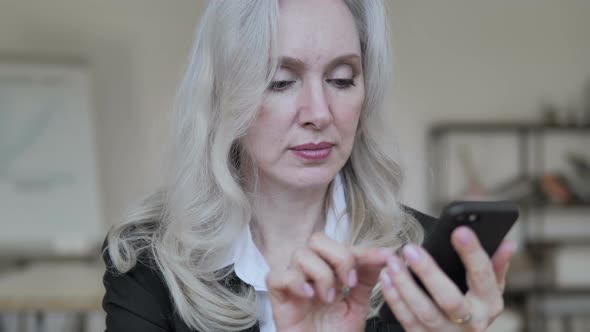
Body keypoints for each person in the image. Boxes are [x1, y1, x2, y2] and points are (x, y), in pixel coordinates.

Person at [102, 1, 516, 331]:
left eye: (341, 79)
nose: (319, 113)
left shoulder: (417, 259)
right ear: (224, 94)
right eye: (281, 81)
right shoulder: (149, 259)